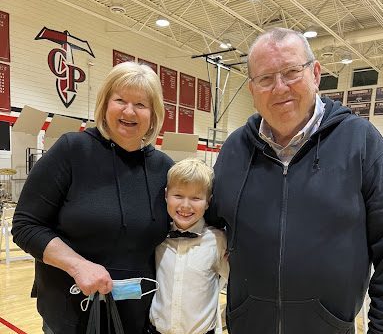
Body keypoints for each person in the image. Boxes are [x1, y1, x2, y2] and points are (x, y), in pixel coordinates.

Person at [207, 27, 383, 334]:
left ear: (315, 74)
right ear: (252, 89)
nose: (279, 88)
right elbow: (207, 226)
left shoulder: (361, 141)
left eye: (291, 72)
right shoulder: (235, 149)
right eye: (265, 78)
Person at [12, 61, 174, 334]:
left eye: (141, 104)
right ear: (105, 103)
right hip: (70, 315)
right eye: (120, 100)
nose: (129, 111)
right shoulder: (71, 151)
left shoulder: (164, 169)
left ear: (154, 113)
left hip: (140, 318)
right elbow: (26, 225)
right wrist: (78, 266)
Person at [148, 158, 229, 334]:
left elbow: (234, 279)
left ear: (208, 202)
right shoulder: (156, 238)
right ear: (166, 195)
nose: (185, 205)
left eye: (196, 198)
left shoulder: (218, 241)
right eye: (178, 196)